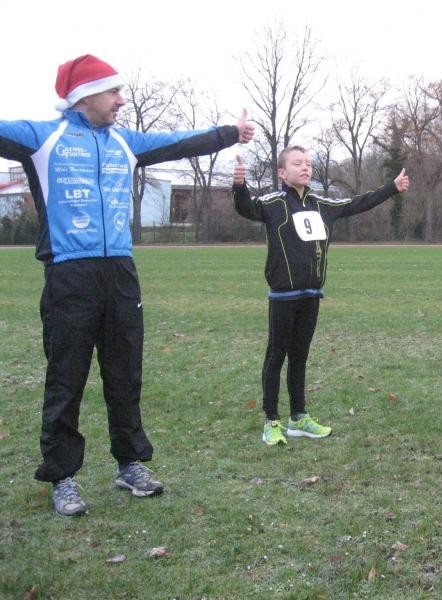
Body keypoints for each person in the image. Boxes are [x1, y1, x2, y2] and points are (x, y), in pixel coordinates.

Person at [0, 54, 255, 517]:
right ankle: (62, 476)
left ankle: (130, 463)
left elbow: (178, 142)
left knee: (125, 374)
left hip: (120, 273)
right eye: (113, 91)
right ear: (84, 96)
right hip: (69, 275)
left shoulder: (126, 141)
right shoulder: (42, 138)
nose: (122, 100)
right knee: (66, 379)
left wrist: (228, 134)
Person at [232, 148, 409, 446]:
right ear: (282, 173)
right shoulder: (273, 203)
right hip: (283, 296)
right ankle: (271, 421)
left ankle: (298, 418)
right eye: (297, 163)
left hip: (312, 294)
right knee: (276, 356)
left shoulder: (321, 204)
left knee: (299, 356)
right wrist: (239, 186)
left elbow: (356, 203)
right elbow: (246, 208)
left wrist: (391, 188)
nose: (305, 168)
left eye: (308, 164)